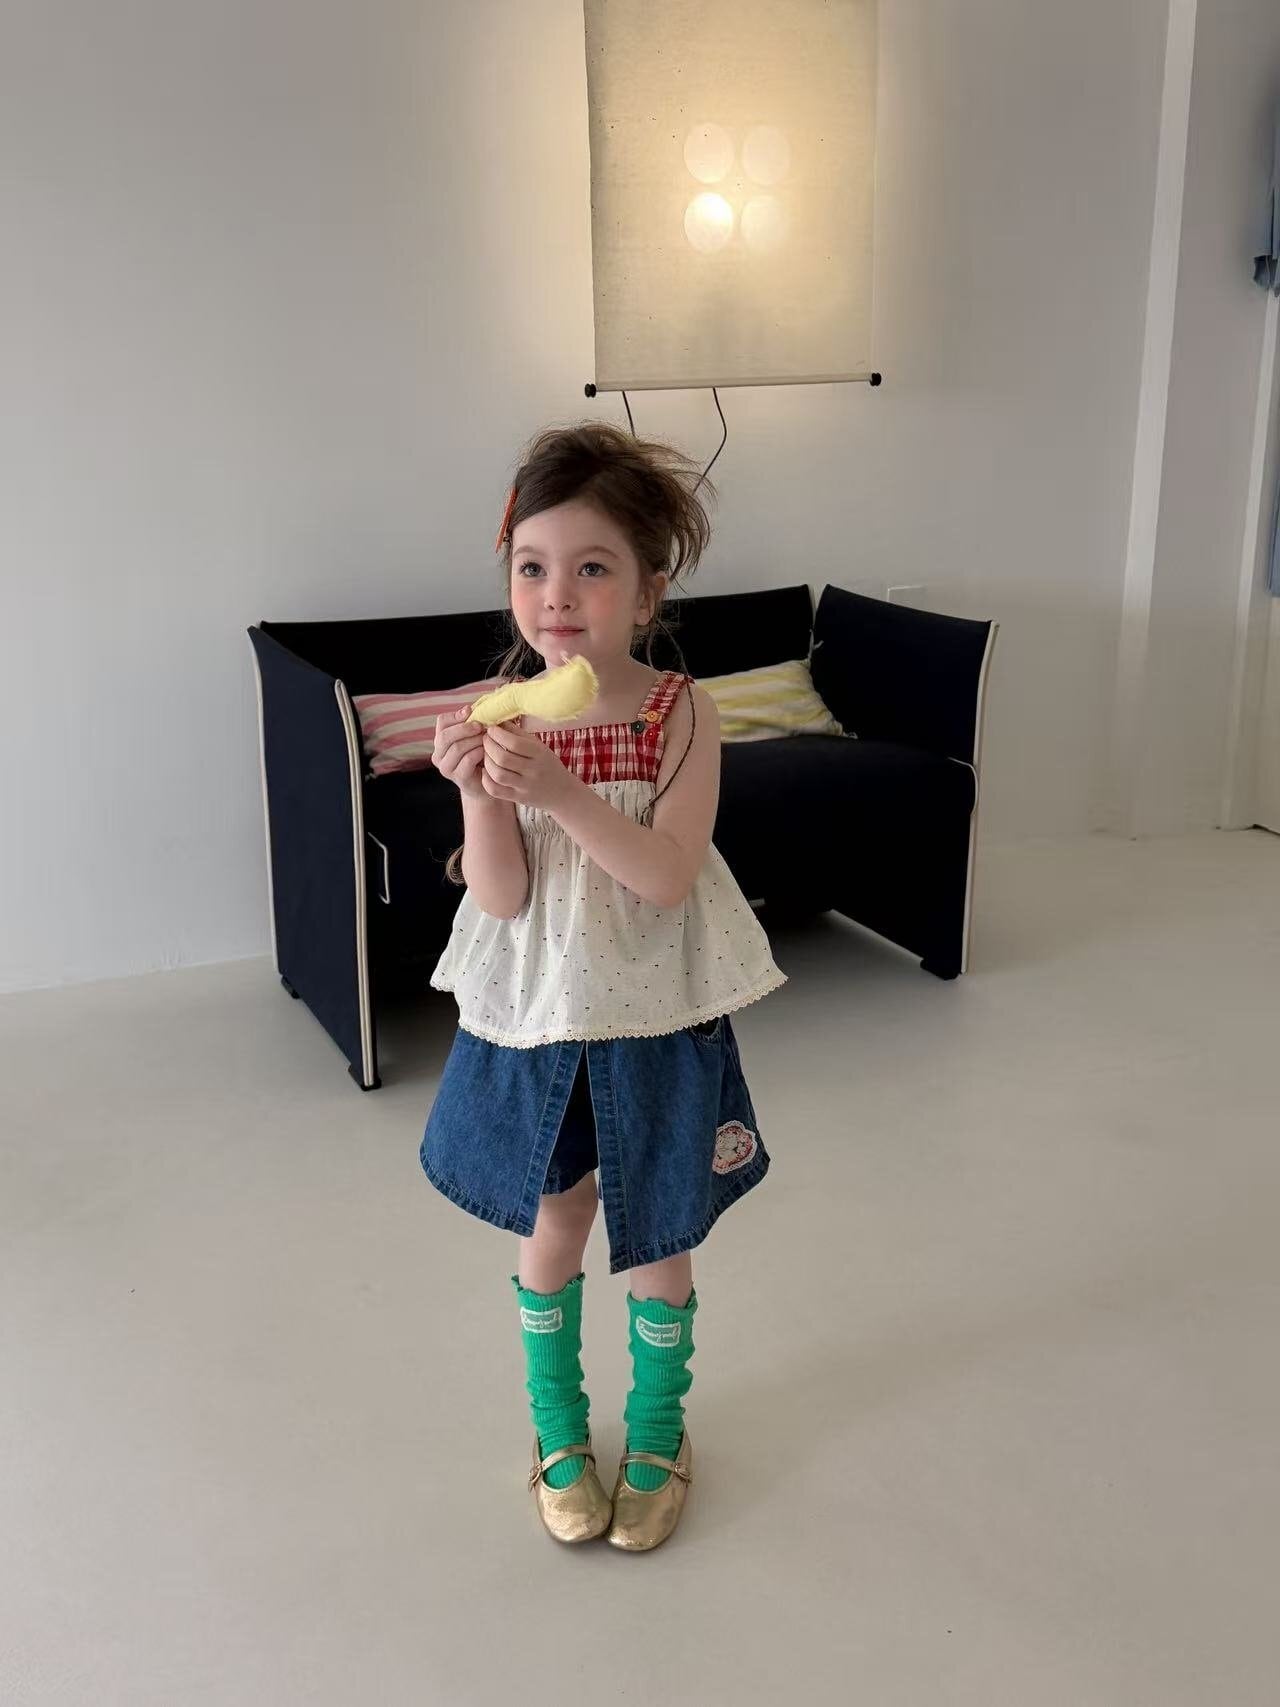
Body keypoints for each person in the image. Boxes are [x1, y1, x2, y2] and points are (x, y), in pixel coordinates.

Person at [421, 422, 786, 1551]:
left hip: (653, 1011)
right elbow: (499, 899)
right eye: (532, 567)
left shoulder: (680, 710)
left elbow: (667, 876)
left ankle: (661, 1428)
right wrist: (480, 795)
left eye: (591, 568)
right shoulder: (505, 709)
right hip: (541, 1015)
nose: (557, 597)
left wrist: (565, 795)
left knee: (658, 1221)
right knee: (555, 1213)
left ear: (645, 591)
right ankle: (557, 1428)